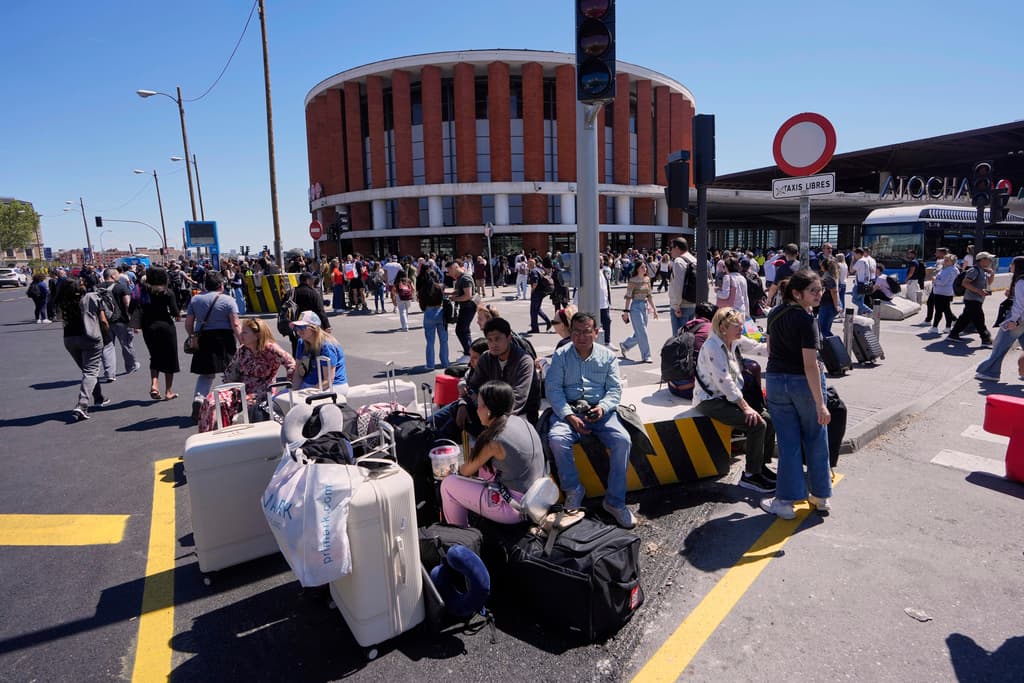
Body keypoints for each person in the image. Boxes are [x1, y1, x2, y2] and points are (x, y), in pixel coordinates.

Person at [545, 312, 634, 529]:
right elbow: (553, 389)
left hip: (601, 411)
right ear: (570, 332)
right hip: (570, 411)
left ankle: (615, 502)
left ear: (596, 332)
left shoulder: (608, 356)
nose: (581, 337)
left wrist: (602, 408)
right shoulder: (561, 355)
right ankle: (573, 490)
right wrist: (569, 415)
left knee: (623, 440)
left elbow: (614, 390)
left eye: (586, 332)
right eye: (576, 332)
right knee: (557, 439)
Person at [759, 269, 832, 520]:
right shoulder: (806, 320)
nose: (819, 295)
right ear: (797, 293)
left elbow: (770, 349)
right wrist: (821, 404)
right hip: (804, 384)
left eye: (820, 290)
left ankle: (785, 501)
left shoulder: (775, 313)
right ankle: (820, 496)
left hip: (776, 381)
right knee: (816, 437)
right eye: (813, 291)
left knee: (788, 442)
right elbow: (810, 365)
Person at [439, 380, 546, 527]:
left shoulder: (494, 440)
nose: (476, 410)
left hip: (516, 508)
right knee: (485, 469)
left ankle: (459, 536)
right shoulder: (522, 422)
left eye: (479, 405)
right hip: (538, 497)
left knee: (448, 485)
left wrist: (452, 470)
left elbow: (465, 471)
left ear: (489, 409)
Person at [694, 307, 776, 493]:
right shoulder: (713, 347)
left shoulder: (733, 341)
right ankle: (751, 476)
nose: (741, 329)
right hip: (710, 400)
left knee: (769, 420)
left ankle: (760, 467)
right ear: (723, 327)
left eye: (741, 325)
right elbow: (725, 382)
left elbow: (760, 349)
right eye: (737, 326)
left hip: (729, 397)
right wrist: (746, 408)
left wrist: (774, 338)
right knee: (757, 424)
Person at [198, 318, 296, 428]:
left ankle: (222, 429)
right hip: (240, 389)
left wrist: (288, 387)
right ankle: (211, 433)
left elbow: (291, 363)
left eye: (245, 332)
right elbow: (231, 372)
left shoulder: (270, 349)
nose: (241, 335)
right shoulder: (243, 350)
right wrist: (226, 389)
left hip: (262, 392)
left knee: (236, 405)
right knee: (212, 400)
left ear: (257, 335)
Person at [462, 317, 538, 432]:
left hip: (519, 415)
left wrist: (490, 414)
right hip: (488, 411)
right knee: (454, 414)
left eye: (497, 339)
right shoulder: (486, 358)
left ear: (509, 338)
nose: (494, 344)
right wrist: (463, 403)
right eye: (490, 340)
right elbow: (472, 386)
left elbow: (518, 398)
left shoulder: (524, 361)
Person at [186, 271, 241, 423]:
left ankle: (199, 400)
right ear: (221, 285)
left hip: (204, 338)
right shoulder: (228, 300)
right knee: (230, 371)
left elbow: (189, 323)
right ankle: (231, 404)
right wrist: (242, 342)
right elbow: (236, 324)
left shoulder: (195, 299)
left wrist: (192, 336)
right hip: (224, 338)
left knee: (206, 374)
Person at [56, 276, 110, 421]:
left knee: (87, 371)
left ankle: (98, 397)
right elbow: (103, 320)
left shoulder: (62, 302)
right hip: (90, 337)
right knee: (90, 371)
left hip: (70, 338)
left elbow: (60, 318)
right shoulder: (91, 298)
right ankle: (82, 404)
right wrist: (107, 335)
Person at [976, 256, 1024, 381]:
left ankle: (990, 372)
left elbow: (1019, 305)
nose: (1010, 266)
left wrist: (1013, 320)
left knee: (1000, 346)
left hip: (1018, 319)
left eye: (1012, 264)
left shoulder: (1020, 282)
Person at [137, 266, 181, 401]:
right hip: (165, 326)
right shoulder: (168, 293)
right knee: (170, 357)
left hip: (148, 326)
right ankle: (168, 391)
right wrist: (178, 315)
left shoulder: (143, 292)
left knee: (155, 355)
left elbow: (135, 307)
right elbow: (175, 312)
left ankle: (154, 384)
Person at [290, 311, 348, 392]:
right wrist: (293, 391)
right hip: (310, 384)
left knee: (306, 399)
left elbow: (328, 380)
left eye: (302, 327)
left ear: (314, 328)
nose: (298, 331)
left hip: (333, 385)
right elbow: (298, 373)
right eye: (296, 327)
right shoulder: (301, 343)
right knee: (280, 397)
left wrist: (306, 392)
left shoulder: (327, 346)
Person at [948, 251, 995, 346]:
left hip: (976, 299)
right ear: (982, 260)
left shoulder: (983, 271)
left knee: (965, 318)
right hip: (972, 299)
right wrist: (978, 291)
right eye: (989, 259)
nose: (990, 261)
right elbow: (965, 283)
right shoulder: (974, 270)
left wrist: (992, 274)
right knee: (979, 319)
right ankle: (985, 338)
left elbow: (988, 283)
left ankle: (953, 334)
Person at [620, 260, 658, 363]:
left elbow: (649, 296)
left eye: (645, 267)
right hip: (635, 307)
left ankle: (625, 345)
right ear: (637, 269)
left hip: (644, 307)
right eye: (642, 267)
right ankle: (646, 356)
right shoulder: (632, 281)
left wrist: (655, 310)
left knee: (640, 332)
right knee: (642, 331)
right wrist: (626, 312)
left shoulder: (647, 279)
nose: (645, 269)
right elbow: (628, 297)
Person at [290, 272, 332, 356]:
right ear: (308, 281)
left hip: (294, 325)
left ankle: (297, 361)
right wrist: (327, 326)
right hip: (309, 326)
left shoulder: (291, 292)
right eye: (312, 280)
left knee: (296, 346)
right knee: (312, 347)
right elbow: (320, 311)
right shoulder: (313, 293)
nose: (313, 282)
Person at [417, 262, 449, 370]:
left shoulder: (423, 289)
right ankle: (445, 362)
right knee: (443, 340)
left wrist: (425, 309)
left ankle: (430, 364)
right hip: (440, 311)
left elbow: (421, 304)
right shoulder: (440, 287)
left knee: (430, 341)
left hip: (429, 312)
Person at [447, 261, 477, 359]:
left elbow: (468, 295)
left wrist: (454, 299)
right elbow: (459, 291)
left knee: (460, 330)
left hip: (468, 307)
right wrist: (449, 294)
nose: (449, 274)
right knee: (464, 330)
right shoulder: (460, 278)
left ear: (455, 268)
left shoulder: (465, 278)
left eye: (450, 271)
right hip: (465, 307)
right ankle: (470, 352)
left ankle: (468, 354)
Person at [668, 237, 698, 335]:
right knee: (688, 336)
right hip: (692, 303)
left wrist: (676, 306)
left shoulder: (679, 261)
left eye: (671, 248)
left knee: (679, 338)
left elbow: (678, 285)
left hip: (681, 306)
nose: (670, 251)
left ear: (677, 248)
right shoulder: (694, 260)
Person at [527, 258, 553, 334]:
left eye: (528, 264)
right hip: (542, 292)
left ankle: (535, 328)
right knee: (537, 309)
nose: (527, 265)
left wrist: (532, 291)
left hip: (537, 292)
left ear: (531, 264)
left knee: (533, 311)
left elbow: (535, 283)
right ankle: (548, 321)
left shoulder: (533, 271)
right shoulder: (540, 270)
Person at [817, 257, 841, 338]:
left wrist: (836, 305)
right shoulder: (831, 275)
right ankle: (831, 344)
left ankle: (834, 344)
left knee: (823, 330)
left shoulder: (827, 277)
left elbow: (834, 292)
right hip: (829, 304)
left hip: (828, 305)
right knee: (825, 329)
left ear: (824, 266)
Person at [850, 247, 876, 315]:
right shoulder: (866, 260)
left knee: (854, 300)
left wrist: (852, 260)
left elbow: (851, 270)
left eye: (855, 254)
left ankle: (870, 311)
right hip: (865, 284)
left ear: (858, 254)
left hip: (859, 285)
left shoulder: (860, 261)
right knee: (861, 302)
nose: (854, 256)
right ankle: (860, 316)